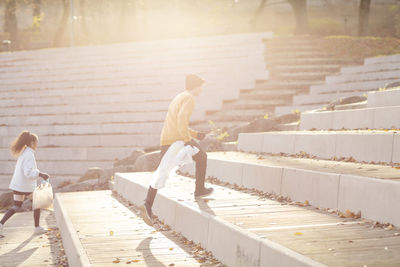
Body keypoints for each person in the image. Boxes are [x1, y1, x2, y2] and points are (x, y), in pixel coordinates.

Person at [141, 74, 213, 226]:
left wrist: (196, 134)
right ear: (196, 86)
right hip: (176, 141)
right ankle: (147, 205)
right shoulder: (189, 98)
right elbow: (181, 120)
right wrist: (188, 141)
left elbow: (178, 122)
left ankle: (199, 190)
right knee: (163, 172)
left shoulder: (180, 96)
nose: (202, 89)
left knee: (200, 157)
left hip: (169, 138)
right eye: (201, 86)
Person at [0, 131, 50, 237]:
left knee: (16, 206)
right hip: (24, 186)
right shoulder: (29, 154)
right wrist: (41, 174)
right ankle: (37, 227)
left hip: (17, 185)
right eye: (36, 142)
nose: (37, 144)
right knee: (37, 203)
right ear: (32, 142)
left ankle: (0, 224)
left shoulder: (24, 152)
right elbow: (28, 173)